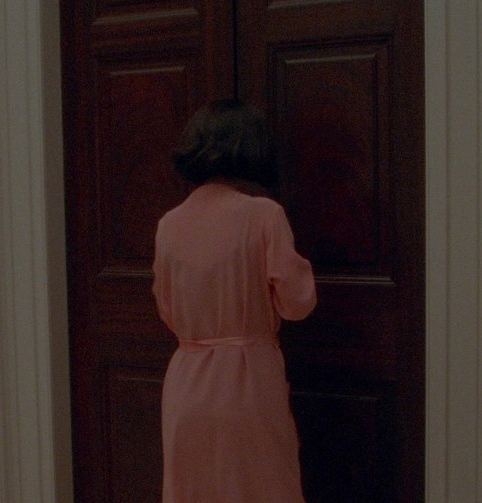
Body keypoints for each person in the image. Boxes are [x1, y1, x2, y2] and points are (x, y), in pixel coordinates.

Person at [152, 99, 317, 502]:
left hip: (186, 382)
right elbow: (297, 303)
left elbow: (167, 310)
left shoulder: (169, 224)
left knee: (193, 490)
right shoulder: (263, 215)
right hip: (248, 383)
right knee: (263, 488)